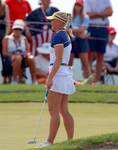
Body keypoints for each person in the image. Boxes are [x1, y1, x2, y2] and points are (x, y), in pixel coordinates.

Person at [35, 11, 75, 148]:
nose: (50, 22)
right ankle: (71, 141)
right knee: (64, 110)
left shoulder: (58, 36)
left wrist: (50, 78)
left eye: (52, 20)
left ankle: (49, 142)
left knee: (54, 111)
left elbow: (58, 59)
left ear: (58, 21)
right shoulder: (65, 35)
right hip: (65, 74)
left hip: (58, 75)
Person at [84, 0, 113, 84]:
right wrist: (103, 13)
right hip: (91, 28)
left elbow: (110, 13)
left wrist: (96, 13)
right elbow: (88, 15)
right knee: (90, 55)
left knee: (100, 55)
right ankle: (88, 79)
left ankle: (97, 81)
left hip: (103, 28)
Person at [2, 19, 37, 84]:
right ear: (13, 29)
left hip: (22, 57)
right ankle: (15, 80)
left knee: (31, 58)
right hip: (10, 58)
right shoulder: (7, 38)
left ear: (22, 31)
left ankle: (33, 80)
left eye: (19, 29)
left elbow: (28, 51)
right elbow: (4, 53)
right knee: (18, 58)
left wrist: (27, 54)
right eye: (16, 29)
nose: (17, 31)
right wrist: (14, 55)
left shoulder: (24, 38)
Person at [67, 0, 91, 80]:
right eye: (76, 5)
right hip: (72, 41)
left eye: (79, 5)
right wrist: (79, 34)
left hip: (81, 41)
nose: (77, 7)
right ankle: (67, 79)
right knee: (69, 62)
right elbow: (66, 29)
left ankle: (88, 80)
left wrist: (72, 31)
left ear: (82, 7)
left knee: (85, 61)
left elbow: (83, 29)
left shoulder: (85, 17)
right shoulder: (70, 17)